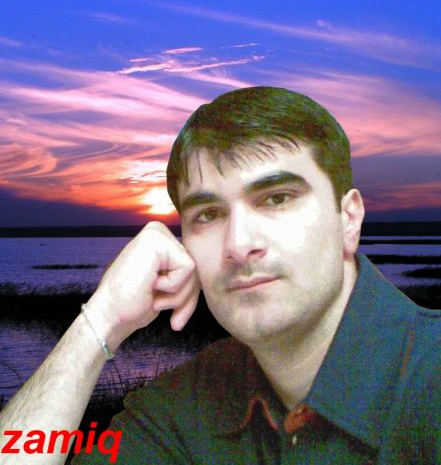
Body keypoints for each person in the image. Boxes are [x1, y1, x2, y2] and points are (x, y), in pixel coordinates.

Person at [0, 87, 439, 464]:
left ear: (349, 219)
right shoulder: (181, 409)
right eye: (208, 214)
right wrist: (100, 319)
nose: (239, 243)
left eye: (277, 198)